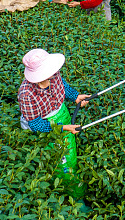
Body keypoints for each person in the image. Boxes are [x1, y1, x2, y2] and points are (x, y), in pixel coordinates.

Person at [18, 48, 92, 207]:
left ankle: (75, 191)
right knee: (60, 162)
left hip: (62, 115)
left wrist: (76, 96)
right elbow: (36, 124)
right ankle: (67, 196)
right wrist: (63, 128)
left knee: (70, 155)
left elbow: (63, 87)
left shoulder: (54, 75)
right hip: (45, 127)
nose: (55, 73)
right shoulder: (26, 93)